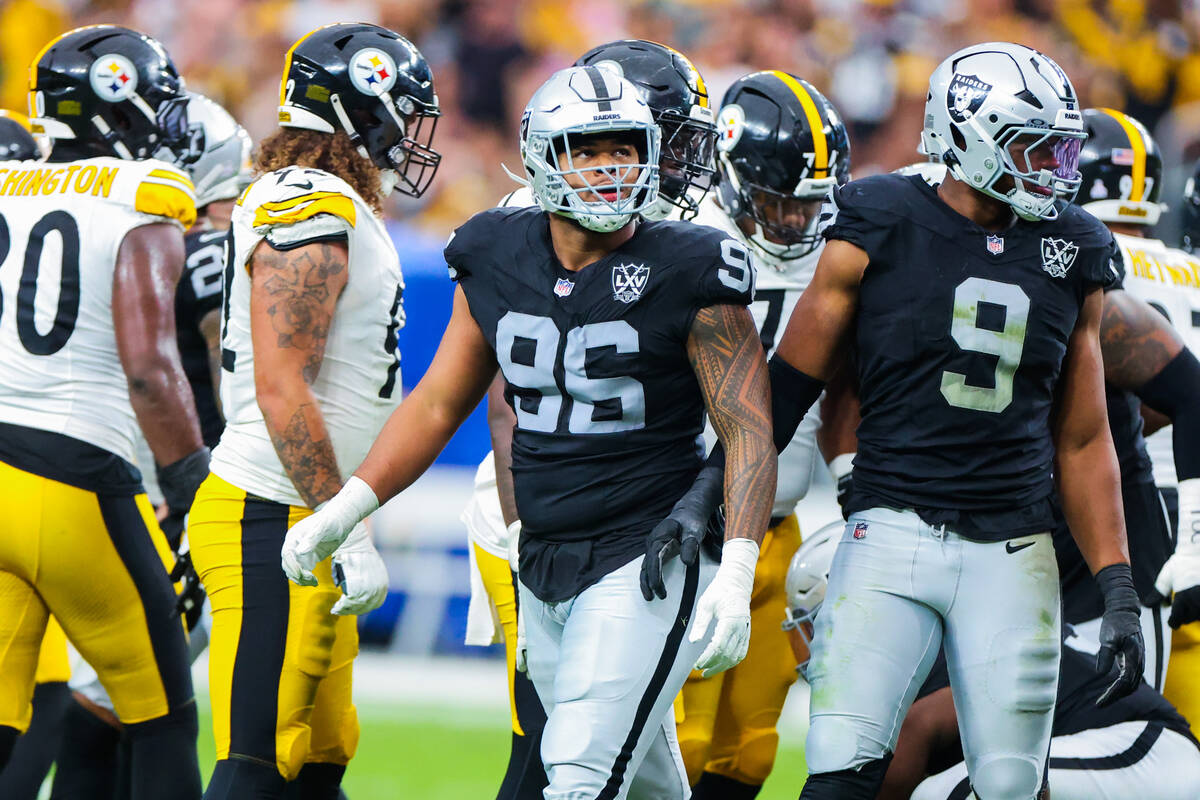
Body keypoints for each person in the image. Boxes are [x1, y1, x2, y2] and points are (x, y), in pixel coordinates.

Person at [282, 64, 777, 800]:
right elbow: (438, 404)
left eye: (626, 148)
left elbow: (747, 431)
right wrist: (347, 508)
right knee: (638, 782)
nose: (612, 167)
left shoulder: (692, 263)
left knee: (575, 775)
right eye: (589, 148)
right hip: (541, 554)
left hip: (645, 554)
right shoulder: (494, 251)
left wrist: (735, 570)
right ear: (544, 157)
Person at [688, 42, 1145, 798]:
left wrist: (1118, 584)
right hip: (888, 531)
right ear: (969, 135)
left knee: (1009, 785)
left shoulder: (1075, 248)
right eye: (1031, 146)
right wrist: (710, 490)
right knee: (841, 768)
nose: (1052, 169)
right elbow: (791, 385)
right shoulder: (878, 218)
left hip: (1015, 547)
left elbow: (1083, 435)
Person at [187, 22, 440, 800]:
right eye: (400, 109)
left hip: (312, 515)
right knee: (255, 761)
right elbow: (282, 384)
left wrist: (345, 519)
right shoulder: (310, 202)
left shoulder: (335, 204)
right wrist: (341, 518)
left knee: (318, 759)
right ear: (358, 104)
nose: (408, 132)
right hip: (270, 513)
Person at [461, 38, 718, 800]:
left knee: (628, 750)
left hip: (631, 513)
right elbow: (502, 400)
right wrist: (524, 530)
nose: (674, 161)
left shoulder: (666, 236)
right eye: (668, 137)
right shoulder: (537, 222)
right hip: (542, 504)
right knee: (552, 740)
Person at [0, 24, 208, 800]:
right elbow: (151, 368)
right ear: (115, 108)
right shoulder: (141, 194)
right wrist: (194, 484)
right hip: (72, 475)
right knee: (160, 717)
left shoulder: (7, 183)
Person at [677, 70, 849, 800]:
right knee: (675, 742)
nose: (795, 219)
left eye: (810, 201)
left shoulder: (836, 251)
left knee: (749, 748)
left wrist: (850, 485)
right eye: (780, 200)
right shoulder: (685, 242)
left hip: (778, 525)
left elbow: (846, 380)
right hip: (684, 521)